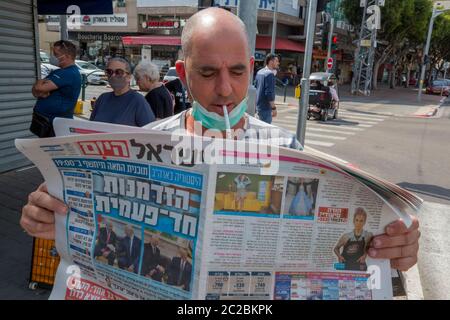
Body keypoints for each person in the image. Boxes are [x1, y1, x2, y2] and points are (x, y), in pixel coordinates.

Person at [20, 7, 420, 273]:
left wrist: (393, 249)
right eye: (208, 73)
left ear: (251, 69)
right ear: (182, 72)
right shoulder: (146, 143)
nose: (226, 90)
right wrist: (49, 215)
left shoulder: (289, 150)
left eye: (238, 72)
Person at [31, 40, 81, 137]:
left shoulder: (69, 73)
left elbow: (38, 87)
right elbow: (35, 91)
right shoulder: (58, 72)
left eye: (56, 54)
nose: (53, 57)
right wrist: (40, 88)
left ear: (68, 55)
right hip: (45, 123)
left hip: (56, 127)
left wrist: (41, 87)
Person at [89, 57, 155, 126]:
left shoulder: (138, 101)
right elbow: (90, 127)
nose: (113, 76)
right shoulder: (102, 99)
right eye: (109, 72)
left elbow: (150, 132)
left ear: (129, 77)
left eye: (119, 72)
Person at [254, 53, 279, 124]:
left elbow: (255, 88)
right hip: (265, 108)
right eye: (276, 61)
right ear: (271, 61)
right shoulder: (269, 74)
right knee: (264, 132)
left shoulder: (259, 72)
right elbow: (269, 93)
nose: (278, 63)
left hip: (258, 107)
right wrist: (273, 108)